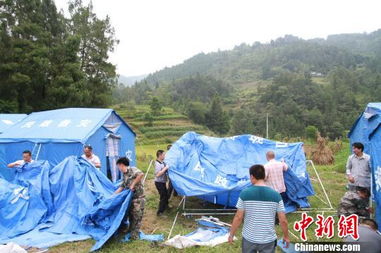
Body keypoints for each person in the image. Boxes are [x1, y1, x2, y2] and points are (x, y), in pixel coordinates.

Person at [228, 164, 290, 253]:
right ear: (264, 176)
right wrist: (286, 237)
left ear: (252, 176)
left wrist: (231, 235)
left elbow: (238, 217)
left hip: (249, 239)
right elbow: (283, 220)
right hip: (268, 240)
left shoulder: (244, 193)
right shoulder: (276, 195)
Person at [114, 157, 145, 240]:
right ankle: (131, 231)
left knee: (137, 217)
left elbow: (141, 174)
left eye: (118, 166)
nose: (118, 168)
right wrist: (113, 196)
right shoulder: (125, 175)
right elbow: (122, 186)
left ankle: (135, 235)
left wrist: (133, 184)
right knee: (131, 216)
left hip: (138, 198)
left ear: (121, 165)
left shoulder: (133, 169)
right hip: (131, 199)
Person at [154, 150, 169, 216]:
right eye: (163, 155)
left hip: (162, 182)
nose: (164, 156)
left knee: (166, 195)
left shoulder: (162, 162)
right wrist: (165, 168)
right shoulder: (157, 164)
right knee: (163, 197)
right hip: (159, 183)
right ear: (160, 155)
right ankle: (160, 212)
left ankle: (166, 206)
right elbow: (157, 174)